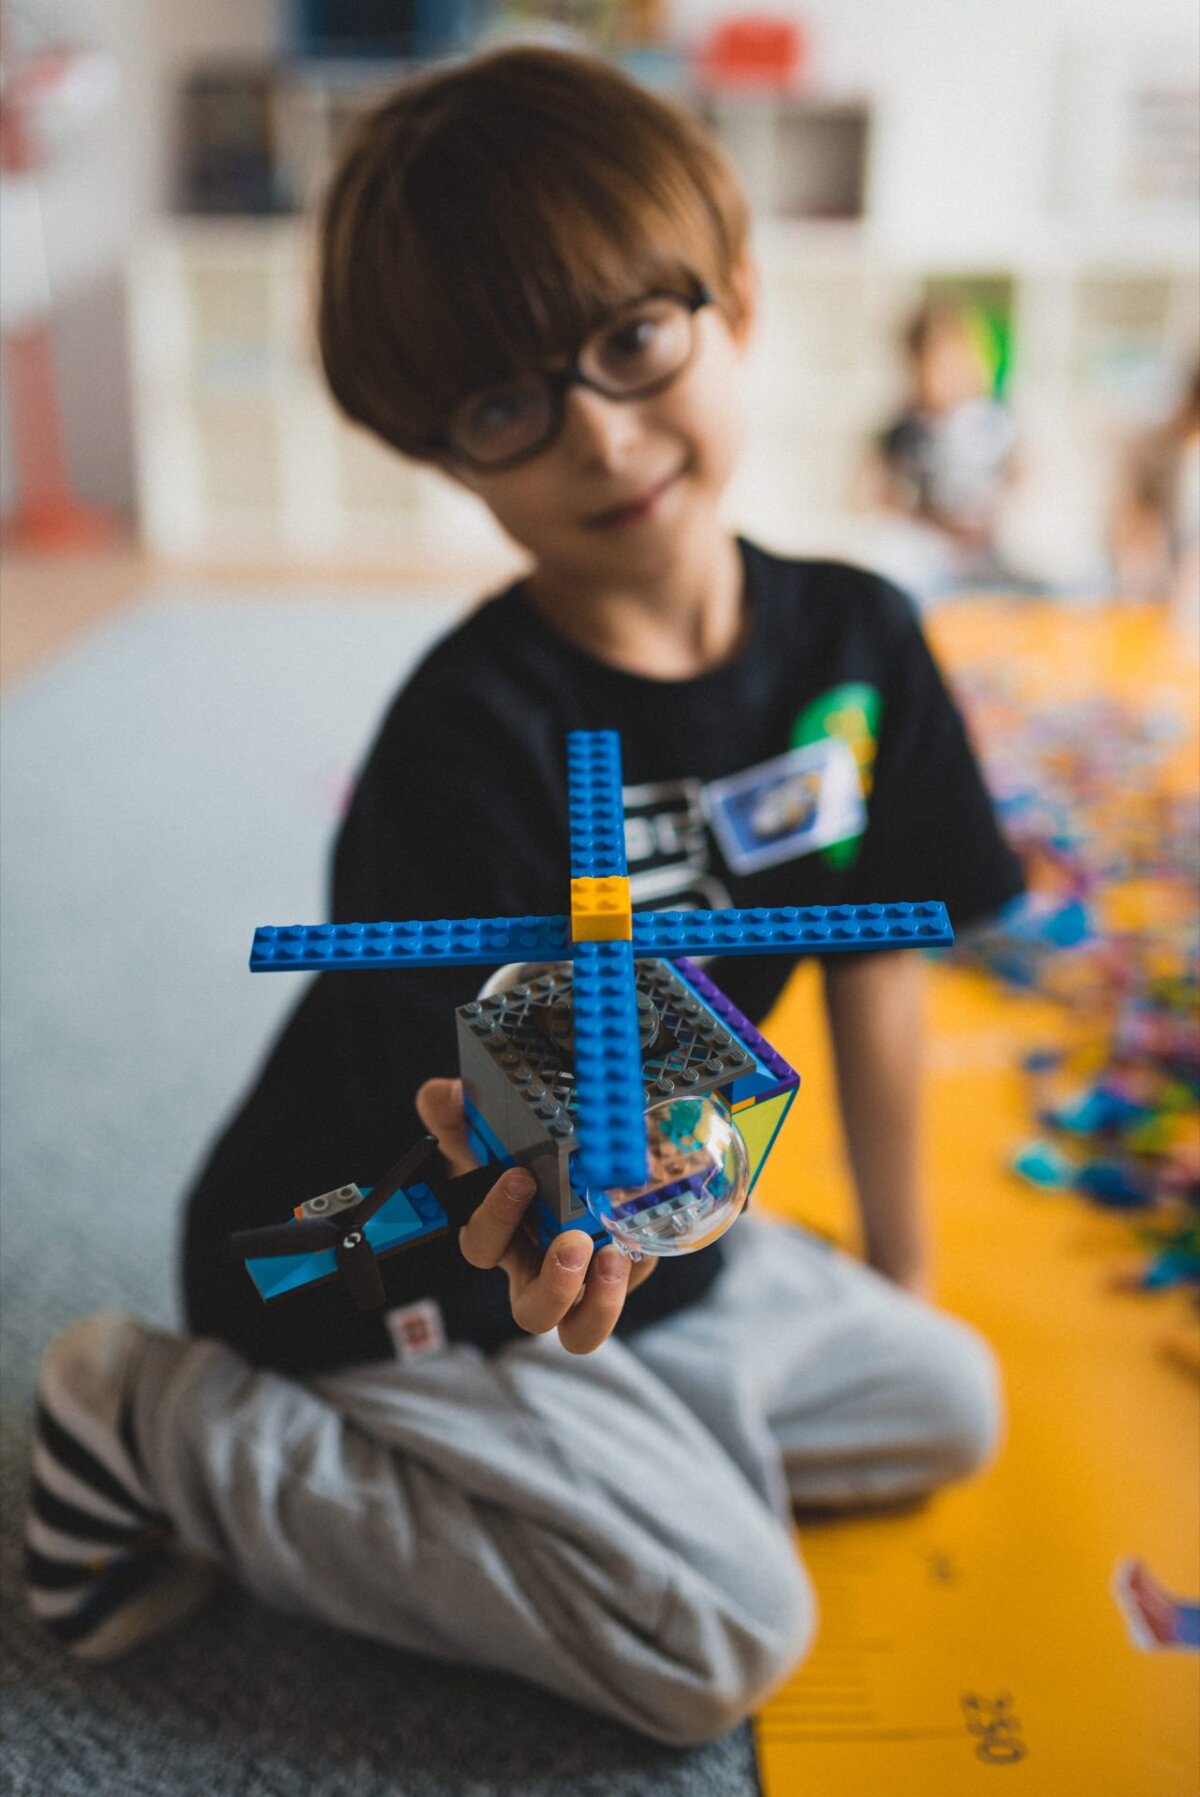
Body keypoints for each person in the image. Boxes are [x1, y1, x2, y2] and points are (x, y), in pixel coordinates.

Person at [26, 47, 1024, 1744]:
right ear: (446, 454)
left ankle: (635, 1435)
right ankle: (158, 1419)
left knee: (950, 1396)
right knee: (716, 1635)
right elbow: (501, 1126)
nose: (604, 433)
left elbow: (876, 959)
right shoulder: (466, 739)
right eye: (510, 403)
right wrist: (594, 1227)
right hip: (380, 1259)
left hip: (672, 1233)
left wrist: (901, 1265)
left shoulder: (861, 640)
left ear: (737, 298)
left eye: (636, 341)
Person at [872, 300, 1021, 599]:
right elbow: (883, 493)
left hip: (987, 548)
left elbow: (1019, 472)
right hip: (929, 553)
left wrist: (996, 511)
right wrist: (927, 519)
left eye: (955, 362)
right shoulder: (903, 431)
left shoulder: (991, 423)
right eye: (934, 366)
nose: (945, 378)